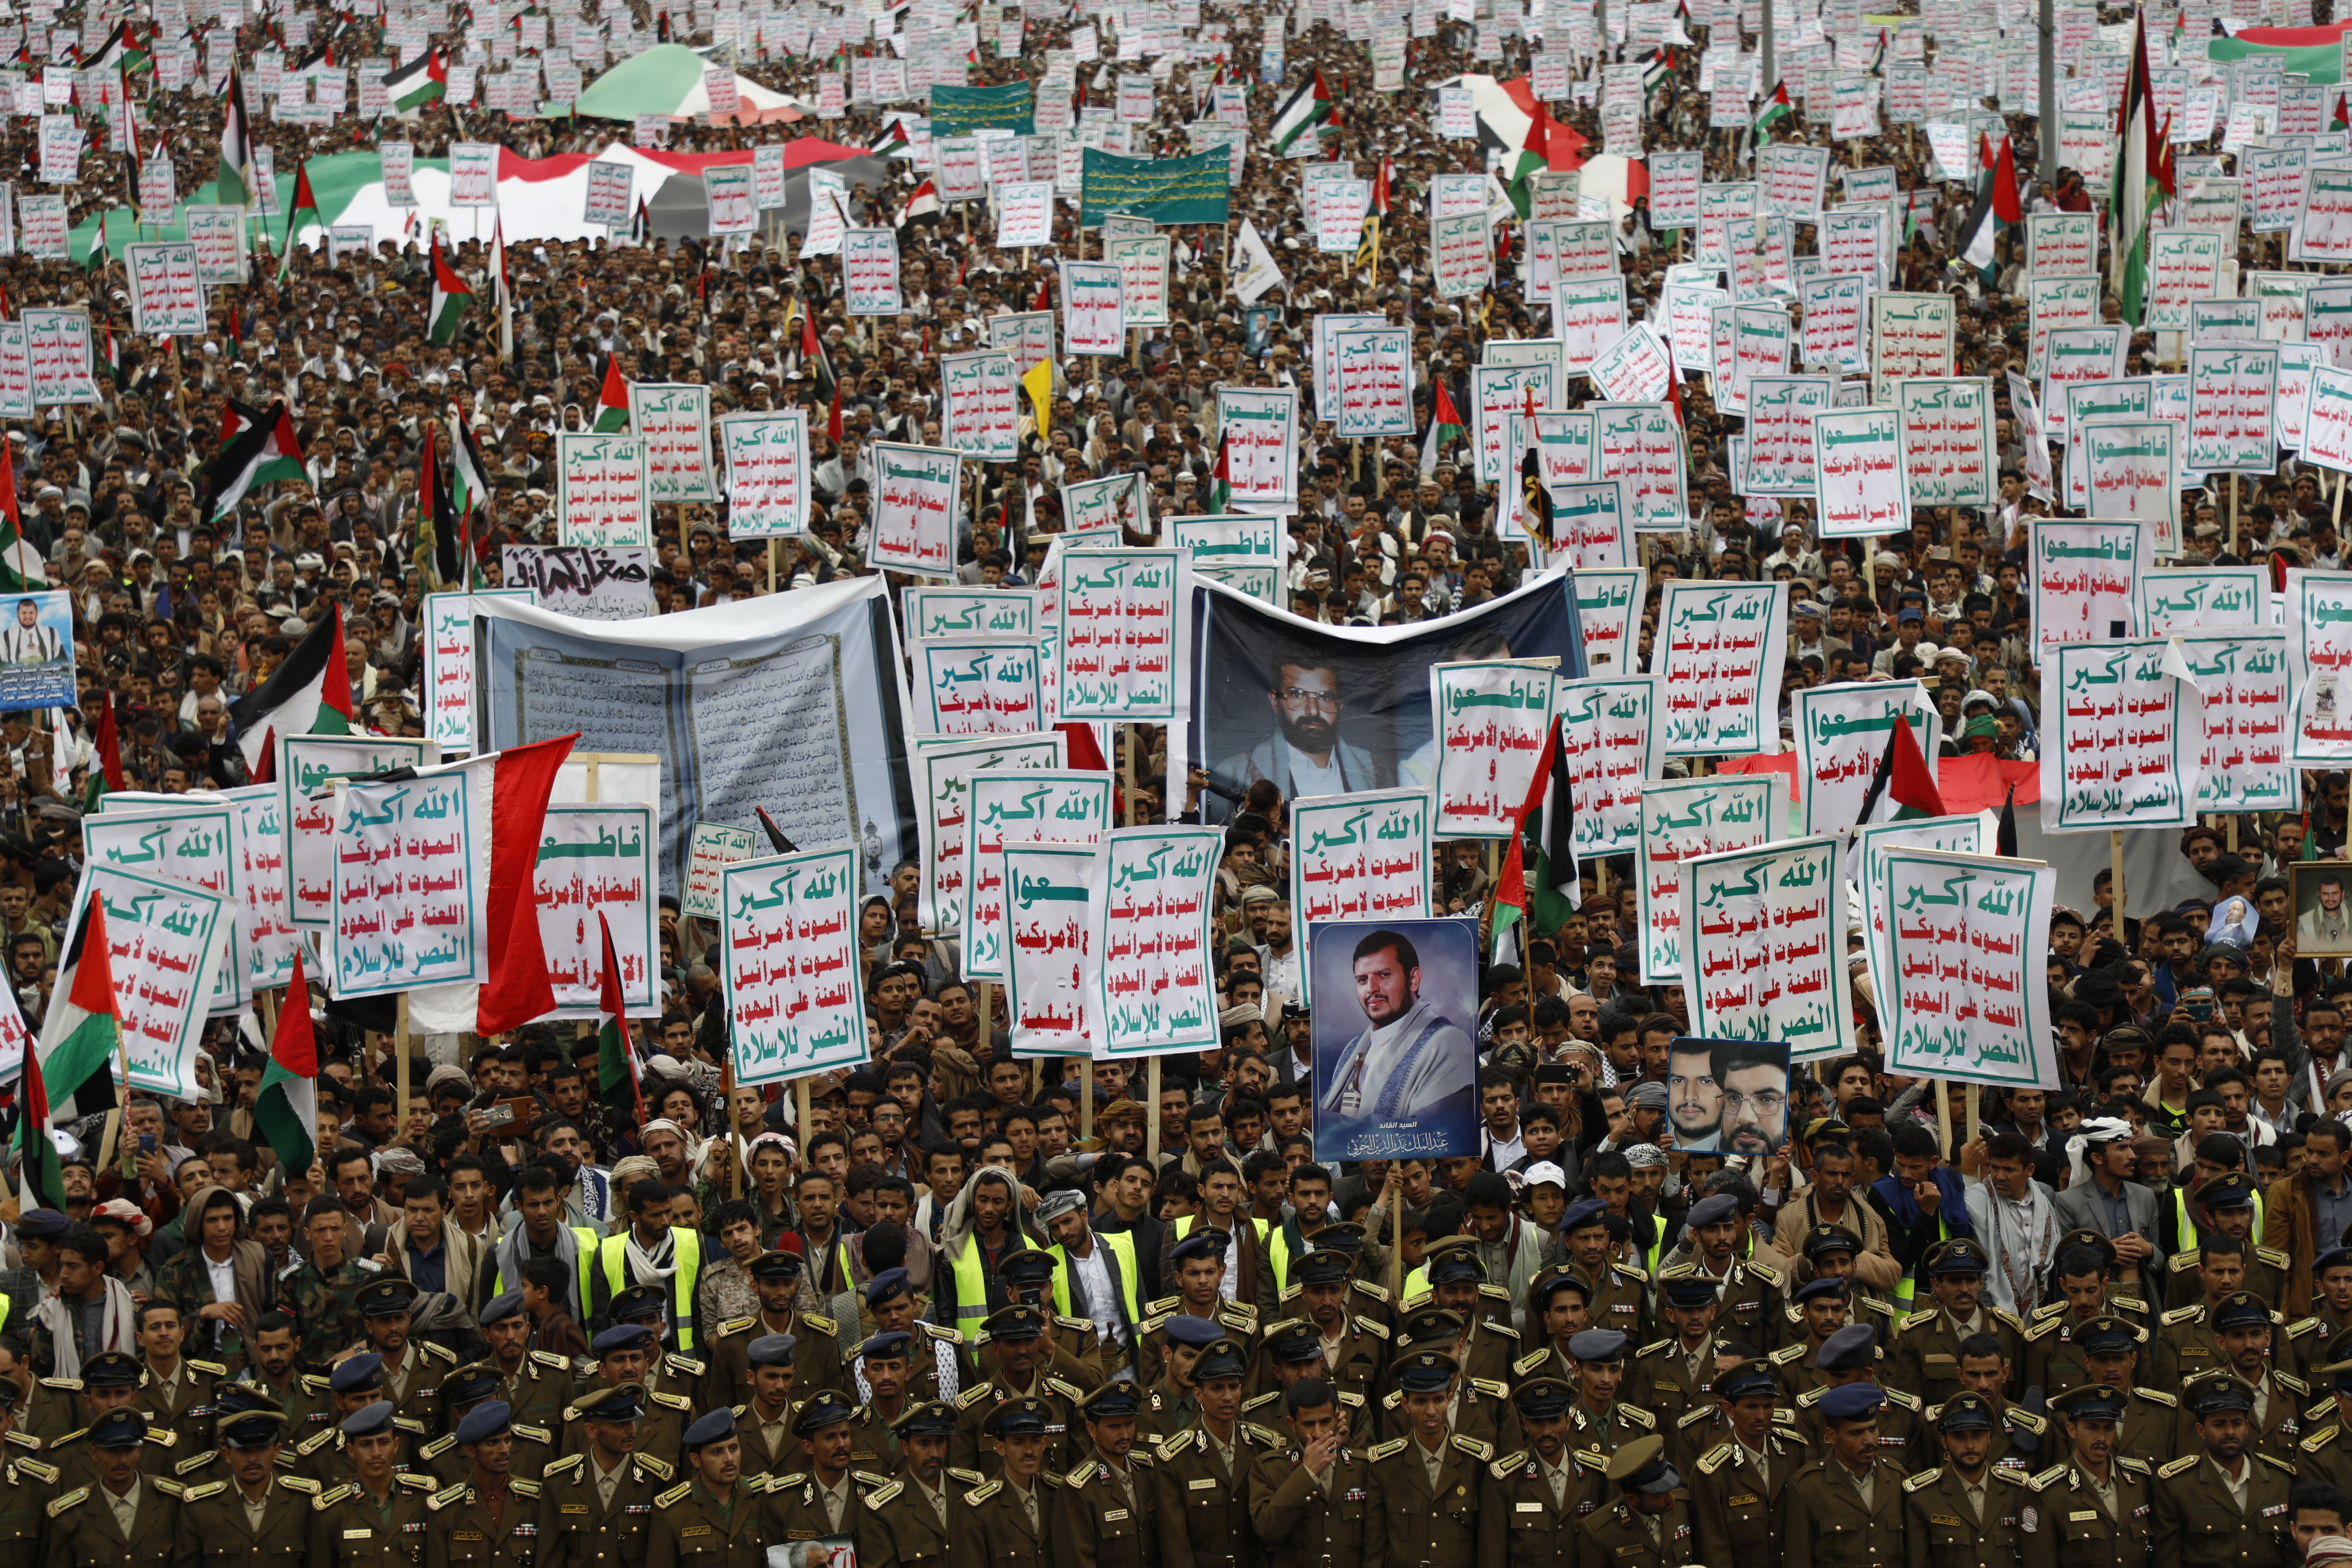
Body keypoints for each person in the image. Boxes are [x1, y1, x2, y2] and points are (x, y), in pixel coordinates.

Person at [1315, 928, 1476, 1142]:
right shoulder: (1355, 1049)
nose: (1371, 989)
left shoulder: (1448, 1043)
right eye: (1363, 980)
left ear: (1414, 980)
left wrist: (1324, 1123)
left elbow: (1428, 1131)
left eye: (1384, 975)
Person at [1215, 652, 1383, 798]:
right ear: (1275, 701)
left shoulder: (1374, 770)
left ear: (1339, 706)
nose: (1313, 711)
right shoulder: (1234, 773)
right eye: (1298, 695)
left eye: (1325, 698)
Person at [2306, 873, 2352, 950]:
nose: (2330, 898)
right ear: (2319, 894)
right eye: (2325, 894)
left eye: (2335, 893)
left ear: (2343, 894)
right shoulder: (2305, 921)